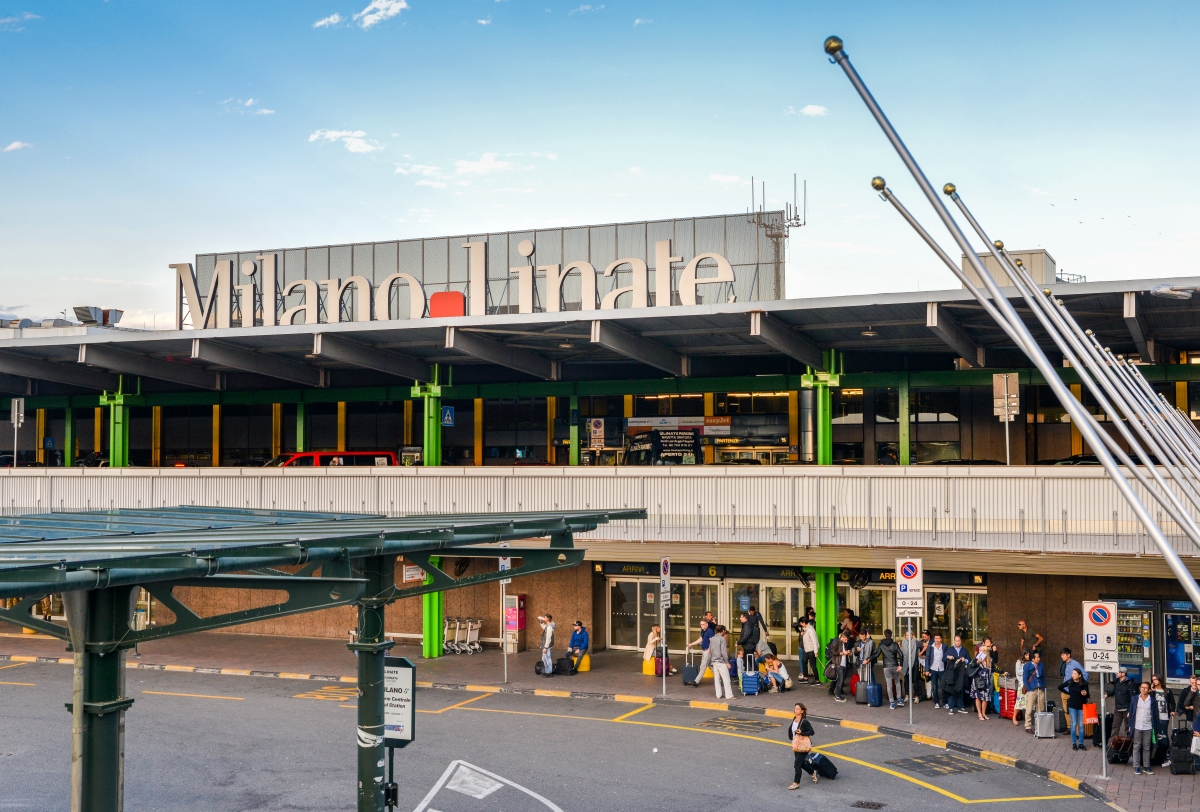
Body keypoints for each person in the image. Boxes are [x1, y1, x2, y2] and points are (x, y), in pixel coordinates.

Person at [786, 703, 817, 789]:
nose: (796, 710)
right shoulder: (794, 719)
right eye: (795, 708)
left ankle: (796, 783)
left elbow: (812, 732)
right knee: (801, 763)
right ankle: (812, 772)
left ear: (802, 711)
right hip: (796, 745)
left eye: (798, 709)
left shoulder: (804, 721)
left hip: (803, 746)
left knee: (797, 764)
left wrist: (802, 733)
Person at [1058, 667, 1090, 751]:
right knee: (1073, 724)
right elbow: (1060, 687)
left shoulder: (1084, 683)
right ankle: (1073, 743)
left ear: (1079, 675)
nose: (1073, 675)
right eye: (1072, 673)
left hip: (1081, 706)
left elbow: (1088, 695)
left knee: (1081, 725)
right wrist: (1068, 693)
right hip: (1072, 705)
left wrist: (1085, 694)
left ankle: (1081, 743)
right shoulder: (1070, 682)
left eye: (1075, 674)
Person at [1129, 682, 1156, 775]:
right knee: (1136, 746)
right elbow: (1131, 713)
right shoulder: (1135, 699)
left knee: (1147, 747)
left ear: (1149, 690)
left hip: (1148, 726)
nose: (1143, 689)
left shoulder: (1152, 700)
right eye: (1142, 687)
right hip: (1137, 725)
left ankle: (1146, 766)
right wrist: (1130, 726)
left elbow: (1155, 715)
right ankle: (1136, 766)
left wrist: (1157, 729)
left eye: (1145, 688)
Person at [685, 618, 715, 687]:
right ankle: (719, 679)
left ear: (707, 624)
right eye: (701, 624)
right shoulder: (703, 630)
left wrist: (709, 649)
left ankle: (696, 681)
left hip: (707, 651)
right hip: (705, 650)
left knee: (703, 666)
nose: (702, 626)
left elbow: (712, 641)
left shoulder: (710, 631)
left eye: (703, 624)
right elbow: (701, 639)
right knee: (710, 666)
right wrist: (692, 644)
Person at [944, 635, 970, 714]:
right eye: (956, 641)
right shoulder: (950, 649)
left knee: (960, 689)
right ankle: (951, 707)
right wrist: (949, 657)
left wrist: (964, 660)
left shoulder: (964, 650)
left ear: (961, 641)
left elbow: (969, 660)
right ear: (954, 641)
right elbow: (943, 658)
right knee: (951, 689)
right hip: (952, 673)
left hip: (961, 673)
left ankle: (960, 707)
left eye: (959, 641)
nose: (958, 642)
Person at [1023, 651, 1046, 734]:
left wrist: (1043, 686)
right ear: (1032, 658)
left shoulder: (1041, 665)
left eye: (1039, 657)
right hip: (1032, 689)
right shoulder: (1027, 666)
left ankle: (1039, 724)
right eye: (1037, 657)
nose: (1038, 658)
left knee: (1040, 708)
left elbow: (1042, 676)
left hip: (1040, 689)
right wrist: (1029, 689)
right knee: (1029, 708)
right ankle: (1028, 726)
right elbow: (1025, 678)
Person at [878, 629, 903, 709]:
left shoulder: (881, 645)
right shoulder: (895, 644)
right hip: (895, 666)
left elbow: (876, 654)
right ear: (891, 635)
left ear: (884, 635)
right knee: (897, 682)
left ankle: (892, 702)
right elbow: (901, 655)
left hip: (886, 667)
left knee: (889, 684)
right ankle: (899, 700)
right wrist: (901, 665)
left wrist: (868, 659)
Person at [1106, 667, 1133, 737]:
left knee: (1128, 727)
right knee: (1115, 727)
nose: (1116, 674)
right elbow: (1114, 690)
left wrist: (1130, 710)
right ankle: (1111, 745)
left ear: (1123, 674)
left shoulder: (1130, 683)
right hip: (1118, 708)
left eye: (1118, 672)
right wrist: (1107, 694)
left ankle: (1130, 745)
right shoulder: (1117, 682)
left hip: (1126, 709)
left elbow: (1133, 697)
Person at [1058, 648, 1087, 713]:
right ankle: (1069, 723)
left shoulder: (1075, 664)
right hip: (1065, 689)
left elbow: (1085, 675)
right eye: (1061, 655)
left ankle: (1074, 723)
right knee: (1066, 711)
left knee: (1075, 710)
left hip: (1073, 691)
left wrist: (1080, 685)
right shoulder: (1063, 664)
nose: (1062, 657)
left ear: (1068, 655)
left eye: (1063, 655)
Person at [709, 624, 733, 700]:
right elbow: (723, 652)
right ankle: (729, 695)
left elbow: (710, 650)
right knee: (726, 679)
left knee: (717, 678)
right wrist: (727, 662)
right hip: (721, 661)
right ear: (723, 631)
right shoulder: (722, 639)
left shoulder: (712, 638)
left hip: (714, 661)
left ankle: (718, 695)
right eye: (725, 631)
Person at [971, 644, 993, 721]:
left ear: (986, 652)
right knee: (978, 697)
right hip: (977, 681)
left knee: (985, 698)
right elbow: (971, 665)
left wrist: (1003, 672)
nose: (980, 652)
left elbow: (994, 668)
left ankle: (983, 713)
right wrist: (977, 662)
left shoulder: (989, 660)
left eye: (982, 650)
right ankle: (979, 713)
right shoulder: (976, 659)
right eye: (980, 650)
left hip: (986, 681)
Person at [736, 612, 760, 683]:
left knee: (749, 661)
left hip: (748, 646)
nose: (740, 618)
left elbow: (745, 636)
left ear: (744, 618)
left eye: (741, 617)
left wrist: (738, 642)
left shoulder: (747, 625)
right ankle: (749, 676)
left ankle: (749, 676)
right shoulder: (747, 624)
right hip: (750, 645)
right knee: (749, 660)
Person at [901, 628, 920, 705]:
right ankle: (907, 696)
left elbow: (926, 645)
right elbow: (901, 653)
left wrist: (920, 654)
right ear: (905, 636)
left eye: (909, 635)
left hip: (914, 663)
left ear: (912, 635)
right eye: (906, 635)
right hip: (906, 663)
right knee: (906, 680)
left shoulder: (916, 642)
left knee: (915, 680)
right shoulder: (903, 642)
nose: (908, 636)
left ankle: (916, 696)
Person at [926, 633, 947, 708]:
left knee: (944, 686)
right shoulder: (930, 647)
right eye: (936, 638)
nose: (937, 640)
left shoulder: (944, 646)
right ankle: (936, 702)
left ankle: (945, 702)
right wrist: (927, 669)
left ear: (941, 639)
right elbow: (927, 658)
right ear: (934, 639)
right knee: (935, 687)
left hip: (942, 669)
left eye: (939, 638)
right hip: (933, 669)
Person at [797, 618, 820, 684]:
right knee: (804, 662)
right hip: (806, 649)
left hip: (811, 650)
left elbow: (814, 641)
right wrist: (802, 634)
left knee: (813, 665)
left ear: (804, 623)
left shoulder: (810, 629)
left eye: (801, 623)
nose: (800, 624)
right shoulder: (805, 629)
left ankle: (817, 680)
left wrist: (815, 652)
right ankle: (805, 678)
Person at [830, 632, 851, 702]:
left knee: (840, 680)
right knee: (840, 680)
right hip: (838, 664)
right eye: (846, 639)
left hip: (844, 663)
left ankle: (837, 693)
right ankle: (837, 695)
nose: (847, 641)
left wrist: (848, 652)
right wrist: (843, 653)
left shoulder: (843, 643)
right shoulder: (836, 642)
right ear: (843, 637)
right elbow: (833, 652)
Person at [537, 614, 555, 678]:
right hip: (546, 645)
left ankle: (549, 672)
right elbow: (544, 627)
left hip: (547, 646)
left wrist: (545, 647)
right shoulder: (548, 626)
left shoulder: (549, 627)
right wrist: (541, 621)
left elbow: (548, 638)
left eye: (545, 618)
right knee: (544, 658)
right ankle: (547, 671)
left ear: (547, 619)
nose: (544, 618)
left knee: (547, 658)